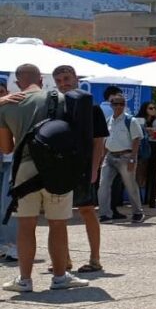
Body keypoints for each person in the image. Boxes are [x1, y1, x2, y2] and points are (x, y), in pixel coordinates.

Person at [0, 63, 89, 292]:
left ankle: (25, 280)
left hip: (24, 171)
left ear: (18, 82)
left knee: (26, 226)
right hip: (57, 168)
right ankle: (60, 277)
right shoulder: (58, 99)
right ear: (41, 80)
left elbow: (7, 148)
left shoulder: (8, 105)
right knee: (58, 225)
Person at [52, 65, 108, 273]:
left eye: (66, 79)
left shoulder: (92, 107)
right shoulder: (56, 106)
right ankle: (63, 259)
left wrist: (95, 169)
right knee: (58, 213)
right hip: (61, 167)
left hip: (85, 167)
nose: (63, 84)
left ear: (76, 78)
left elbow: (99, 142)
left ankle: (95, 259)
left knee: (87, 210)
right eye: (58, 81)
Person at [98, 93, 147, 224]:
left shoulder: (130, 120)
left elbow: (136, 140)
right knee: (103, 185)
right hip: (110, 156)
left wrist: (133, 159)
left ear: (125, 105)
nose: (118, 106)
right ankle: (105, 214)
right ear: (111, 105)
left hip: (125, 156)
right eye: (115, 104)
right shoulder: (109, 120)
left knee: (130, 185)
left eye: (121, 104)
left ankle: (138, 212)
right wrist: (102, 157)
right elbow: (106, 140)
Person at [0, 82, 18, 261]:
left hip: (11, 162)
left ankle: (15, 246)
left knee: (9, 207)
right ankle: (2, 244)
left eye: (1, 92)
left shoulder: (15, 108)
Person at [134, 101, 156, 195]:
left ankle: (149, 195)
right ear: (145, 109)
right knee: (140, 169)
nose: (153, 110)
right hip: (142, 147)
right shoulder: (138, 119)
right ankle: (138, 193)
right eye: (150, 108)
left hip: (154, 146)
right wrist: (147, 130)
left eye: (154, 108)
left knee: (152, 169)